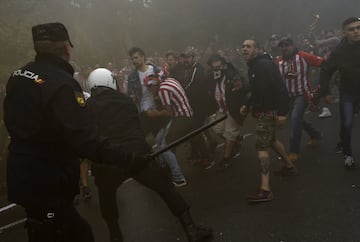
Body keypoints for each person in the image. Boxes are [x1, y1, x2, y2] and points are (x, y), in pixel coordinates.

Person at [3, 22, 151, 242]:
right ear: (66, 48)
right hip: (49, 179)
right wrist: (128, 159)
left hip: (21, 173)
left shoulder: (18, 75)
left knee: (48, 226)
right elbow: (85, 139)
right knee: (67, 230)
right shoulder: (62, 85)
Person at [86, 68, 213, 242]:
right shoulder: (125, 101)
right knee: (166, 188)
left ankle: (115, 236)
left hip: (109, 160)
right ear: (110, 81)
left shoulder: (87, 107)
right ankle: (191, 229)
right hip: (136, 155)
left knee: (106, 197)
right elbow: (136, 128)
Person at [241, 39, 297, 203]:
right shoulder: (254, 65)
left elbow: (280, 88)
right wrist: (247, 104)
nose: (244, 49)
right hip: (263, 110)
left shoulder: (263, 65)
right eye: (243, 47)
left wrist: (282, 113)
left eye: (248, 46)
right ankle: (289, 166)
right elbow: (257, 90)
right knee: (271, 140)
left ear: (257, 49)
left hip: (268, 112)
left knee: (261, 147)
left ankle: (265, 190)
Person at [319, 17, 360, 169]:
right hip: (348, 93)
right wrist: (326, 92)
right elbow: (325, 71)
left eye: (358, 28)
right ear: (345, 33)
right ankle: (348, 154)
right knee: (347, 123)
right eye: (352, 29)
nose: (356, 31)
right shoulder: (339, 52)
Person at [276, 37, 324, 162]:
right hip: (287, 97)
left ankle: (294, 151)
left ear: (293, 45)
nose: (284, 48)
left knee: (295, 118)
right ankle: (315, 134)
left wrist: (322, 86)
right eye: (282, 46)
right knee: (298, 119)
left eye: (287, 45)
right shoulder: (278, 61)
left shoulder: (304, 56)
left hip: (302, 95)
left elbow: (324, 63)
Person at [206, 54, 248, 170]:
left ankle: (226, 158)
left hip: (232, 109)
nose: (215, 67)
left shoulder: (233, 73)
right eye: (213, 65)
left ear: (222, 62)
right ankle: (236, 141)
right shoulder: (211, 76)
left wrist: (244, 104)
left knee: (229, 132)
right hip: (220, 108)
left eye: (217, 63)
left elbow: (245, 88)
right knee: (217, 129)